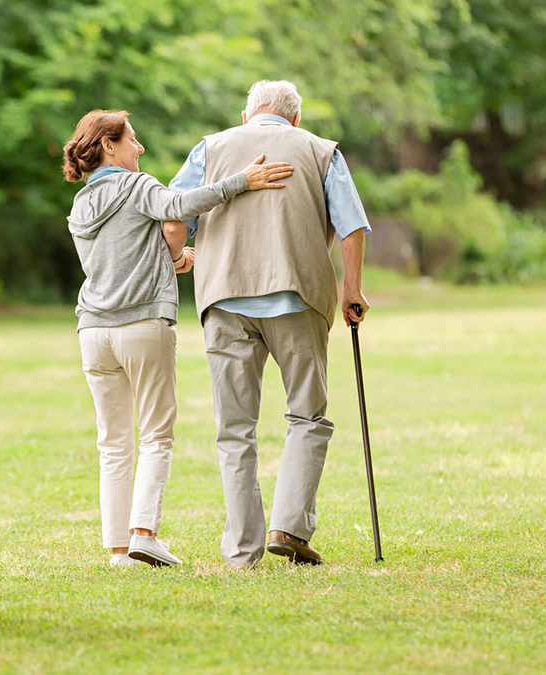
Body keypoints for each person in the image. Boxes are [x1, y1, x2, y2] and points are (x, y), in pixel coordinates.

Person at [62, 109, 293, 568]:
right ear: (109, 145)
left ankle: (118, 551)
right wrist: (241, 181)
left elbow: (118, 260)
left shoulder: (80, 205)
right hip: (143, 325)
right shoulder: (138, 185)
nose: (140, 148)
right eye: (132, 138)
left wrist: (170, 258)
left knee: (112, 442)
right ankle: (144, 532)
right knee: (155, 435)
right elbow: (182, 207)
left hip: (93, 331)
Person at [168, 80, 371, 567]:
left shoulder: (209, 148)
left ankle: (242, 551)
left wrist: (179, 257)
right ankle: (288, 529)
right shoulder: (322, 151)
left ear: (246, 117)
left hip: (224, 300)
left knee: (234, 429)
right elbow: (352, 226)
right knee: (307, 416)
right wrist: (351, 290)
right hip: (297, 298)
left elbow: (174, 220)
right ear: (295, 119)